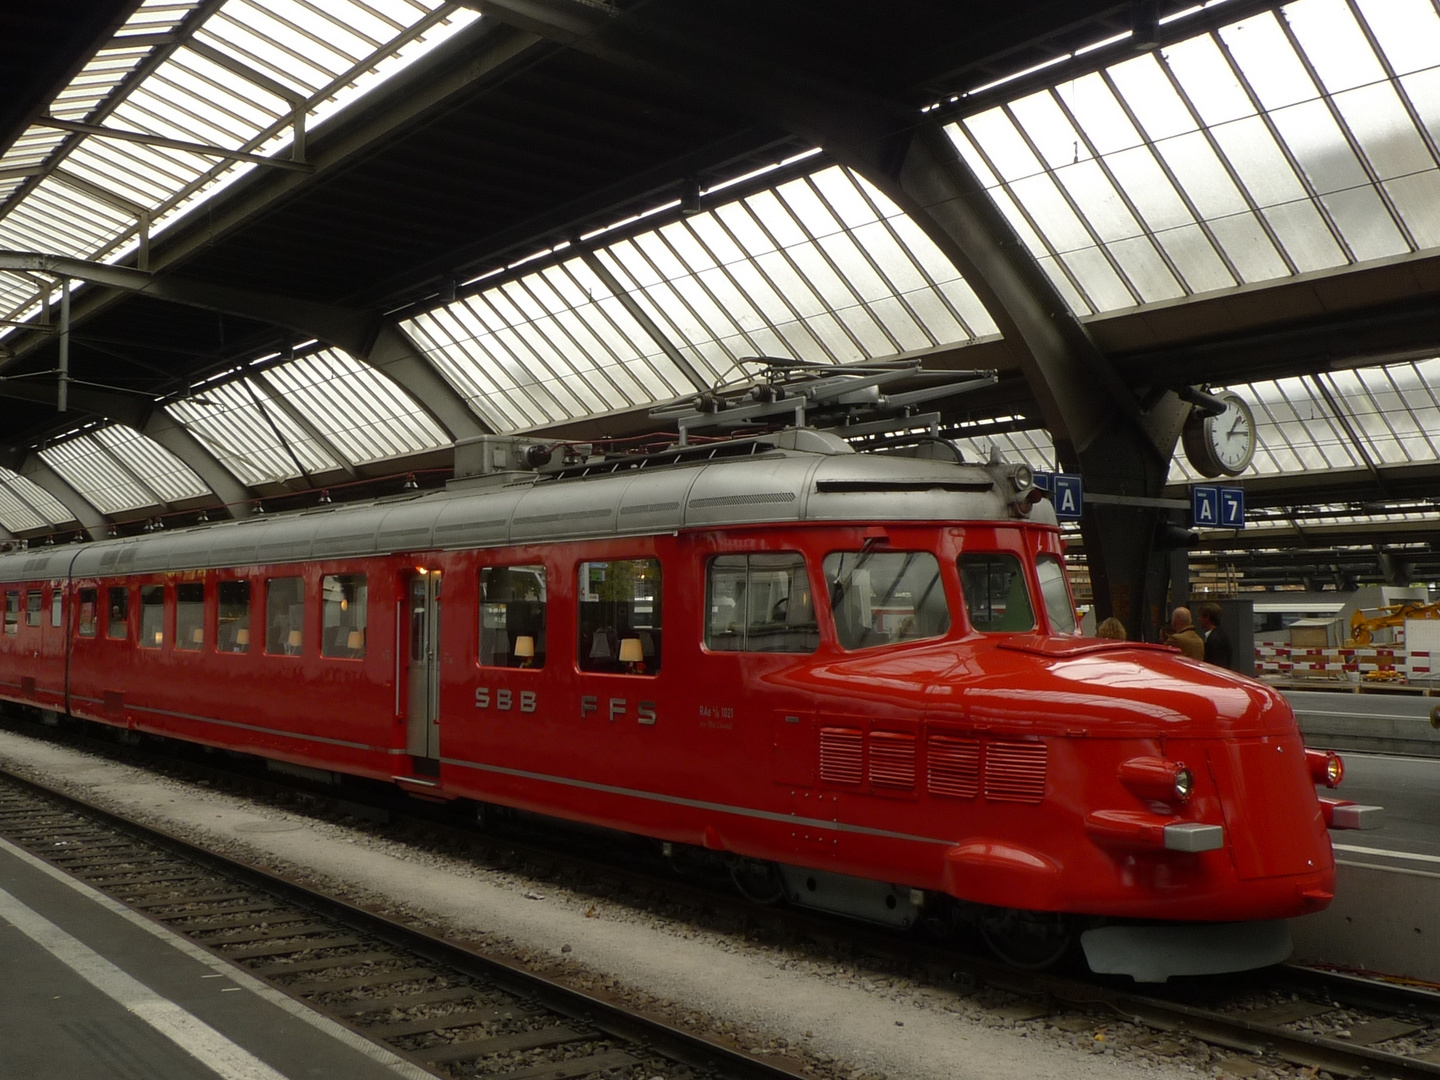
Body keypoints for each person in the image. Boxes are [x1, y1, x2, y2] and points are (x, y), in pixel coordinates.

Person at [1198, 601, 1233, 670]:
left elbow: (1215, 665)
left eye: (1200, 616)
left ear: (1207, 617)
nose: (1198, 619)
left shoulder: (1214, 639)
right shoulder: (1220, 635)